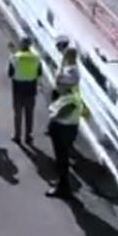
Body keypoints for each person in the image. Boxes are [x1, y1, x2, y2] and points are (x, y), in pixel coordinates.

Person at [45, 66, 86, 197]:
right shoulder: (66, 96)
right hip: (61, 130)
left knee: (62, 160)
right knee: (60, 159)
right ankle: (62, 183)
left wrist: (53, 115)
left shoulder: (70, 99)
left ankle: (63, 188)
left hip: (63, 131)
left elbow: (62, 113)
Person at [8, 37, 42, 143]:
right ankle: (29, 136)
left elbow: (10, 73)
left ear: (21, 45)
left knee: (18, 114)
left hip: (18, 90)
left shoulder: (15, 57)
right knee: (29, 114)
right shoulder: (36, 58)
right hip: (31, 90)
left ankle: (17, 136)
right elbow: (39, 73)